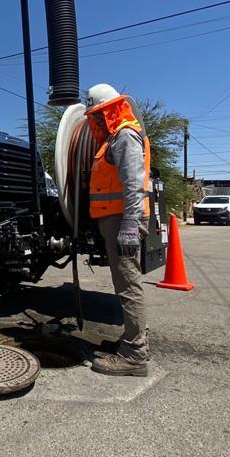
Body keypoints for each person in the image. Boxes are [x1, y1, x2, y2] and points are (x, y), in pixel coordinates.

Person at [83, 84, 152, 377]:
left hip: (123, 220)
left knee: (128, 286)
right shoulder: (114, 139)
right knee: (127, 284)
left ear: (111, 110)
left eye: (99, 113)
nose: (95, 120)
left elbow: (134, 185)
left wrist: (129, 226)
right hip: (117, 220)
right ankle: (133, 341)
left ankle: (135, 356)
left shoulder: (124, 136)